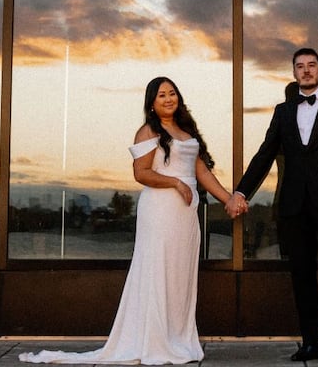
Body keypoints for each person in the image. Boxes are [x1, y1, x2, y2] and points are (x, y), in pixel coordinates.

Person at [21, 76, 245, 365]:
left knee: (179, 274)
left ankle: (177, 339)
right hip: (161, 210)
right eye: (161, 95)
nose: (168, 99)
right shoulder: (149, 130)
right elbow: (141, 173)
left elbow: (202, 172)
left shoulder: (186, 130)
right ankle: (155, 342)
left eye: (172, 93)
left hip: (185, 216)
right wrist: (176, 183)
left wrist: (228, 198)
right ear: (151, 103)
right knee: (158, 270)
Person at [230, 48, 318, 365]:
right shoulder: (282, 111)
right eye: (300, 66)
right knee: (301, 276)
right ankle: (310, 344)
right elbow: (265, 155)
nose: (306, 71)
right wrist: (241, 192)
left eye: (311, 65)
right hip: (294, 207)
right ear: (293, 73)